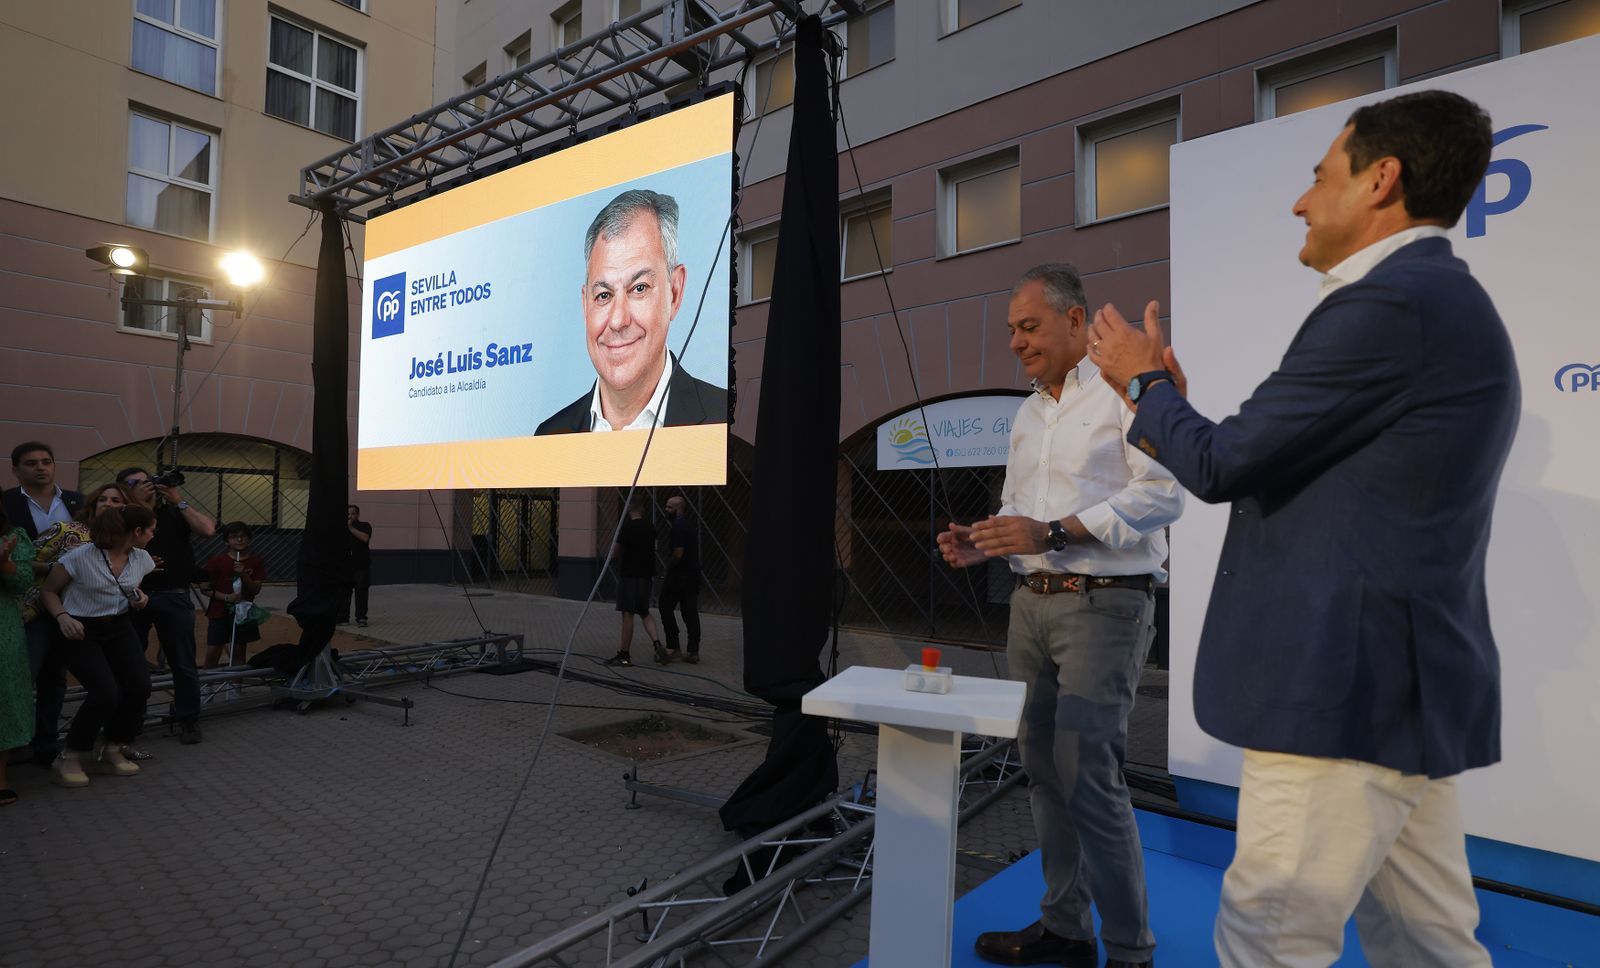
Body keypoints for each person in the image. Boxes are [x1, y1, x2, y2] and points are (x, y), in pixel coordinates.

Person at [1087, 90, 1510, 967]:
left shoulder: (1391, 305)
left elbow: (1223, 466)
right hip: (1394, 702)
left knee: (1268, 941)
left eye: (1319, 177)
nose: (1300, 200)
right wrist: (1167, 399)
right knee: (1429, 944)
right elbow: (1265, 457)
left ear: (1382, 180)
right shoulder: (1435, 299)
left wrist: (1141, 385)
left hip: (1340, 696)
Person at [937, 264, 1183, 968]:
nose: (1016, 342)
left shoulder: (1124, 393)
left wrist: (1053, 533)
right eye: (1011, 330)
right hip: (1030, 609)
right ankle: (1067, 930)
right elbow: (1023, 513)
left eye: (1029, 326)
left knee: (1089, 778)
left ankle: (1132, 952)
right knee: (1043, 773)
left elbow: (1164, 497)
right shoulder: (1029, 411)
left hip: (1105, 607)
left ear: (1075, 321)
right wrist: (983, 540)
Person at [535, 189, 728, 434]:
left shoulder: (725, 423)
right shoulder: (549, 436)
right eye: (603, 295)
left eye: (639, 288)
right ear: (585, 306)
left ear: (675, 293)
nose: (618, 321)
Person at [37, 504, 158, 788]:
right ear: (137, 531)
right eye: (152, 530)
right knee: (105, 692)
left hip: (119, 625)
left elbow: (132, 590)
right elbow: (48, 592)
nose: (154, 535)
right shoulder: (79, 557)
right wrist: (62, 616)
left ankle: (114, 746)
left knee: (140, 685)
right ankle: (70, 755)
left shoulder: (142, 559)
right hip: (80, 628)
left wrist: (141, 598)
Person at [20, 483, 132, 766]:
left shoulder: (122, 540)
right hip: (42, 613)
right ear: (92, 504)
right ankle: (12, 745)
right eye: (103, 499)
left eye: (116, 500)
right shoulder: (67, 530)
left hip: (80, 620)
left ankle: (46, 745)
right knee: (26, 676)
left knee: (55, 682)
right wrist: (62, 568)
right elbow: (23, 562)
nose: (108, 503)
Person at [116, 467, 215, 745]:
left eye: (148, 481)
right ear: (122, 488)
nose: (145, 486)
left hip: (173, 595)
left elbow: (207, 529)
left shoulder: (172, 513)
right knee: (130, 662)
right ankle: (131, 720)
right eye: (136, 483)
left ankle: (188, 718)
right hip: (130, 595)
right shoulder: (120, 517)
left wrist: (176, 498)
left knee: (183, 662)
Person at [604, 495, 668, 667]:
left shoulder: (627, 528)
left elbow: (616, 552)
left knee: (628, 613)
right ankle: (657, 644)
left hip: (630, 576)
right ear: (643, 509)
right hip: (646, 576)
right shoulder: (651, 527)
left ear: (629, 509)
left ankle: (624, 654)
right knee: (644, 611)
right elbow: (654, 547)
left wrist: (614, 553)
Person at [0, 507, 37, 806]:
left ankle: (0, 776)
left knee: (4, 697)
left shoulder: (13, 536)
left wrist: (5, 563)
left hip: (3, 627)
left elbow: (24, 581)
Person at [202, 522, 266, 668]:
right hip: (219, 611)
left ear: (249, 539)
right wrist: (226, 597)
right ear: (226, 541)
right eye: (234, 537)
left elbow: (256, 588)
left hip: (243, 611)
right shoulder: (216, 562)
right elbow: (204, 588)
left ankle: (236, 686)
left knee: (239, 650)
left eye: (243, 536)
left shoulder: (255, 562)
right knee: (213, 649)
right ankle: (207, 686)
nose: (239, 540)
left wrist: (243, 574)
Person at [4, 441, 84, 541]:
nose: (41, 468)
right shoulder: (5, 501)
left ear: (54, 467)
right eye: (31, 463)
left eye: (46, 462)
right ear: (15, 470)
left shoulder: (79, 500)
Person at [657, 495, 702, 664]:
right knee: (689, 611)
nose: (666, 510)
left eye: (669, 507)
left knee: (665, 605)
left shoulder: (677, 525)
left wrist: (668, 567)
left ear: (679, 509)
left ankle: (673, 646)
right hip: (693, 575)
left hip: (679, 575)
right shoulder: (689, 525)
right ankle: (693, 651)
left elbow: (678, 552)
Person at [343, 504, 372, 628]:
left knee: (361, 592)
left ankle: (361, 618)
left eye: (353, 514)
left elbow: (365, 538)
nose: (350, 516)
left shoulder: (365, 526)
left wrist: (350, 528)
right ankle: (343, 617)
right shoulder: (341, 528)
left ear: (358, 515)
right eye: (348, 514)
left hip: (361, 565)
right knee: (344, 592)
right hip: (345, 565)